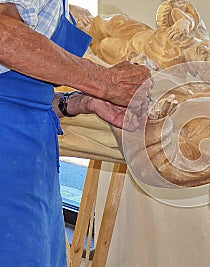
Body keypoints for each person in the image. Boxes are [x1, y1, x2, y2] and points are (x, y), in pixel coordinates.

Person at [0, 0, 151, 266]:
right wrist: (105, 82)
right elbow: (3, 35)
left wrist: (76, 102)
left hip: (32, 162)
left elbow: (18, 96)